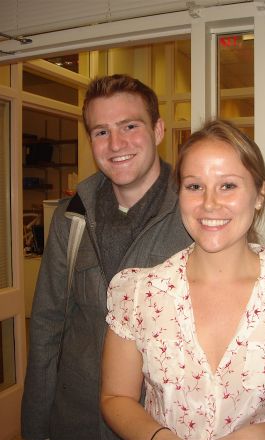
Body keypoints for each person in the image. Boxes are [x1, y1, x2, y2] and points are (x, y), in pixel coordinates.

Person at [101, 119, 265, 440]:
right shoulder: (138, 293)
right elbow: (116, 397)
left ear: (259, 194)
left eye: (228, 185)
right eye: (194, 186)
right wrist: (157, 436)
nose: (209, 203)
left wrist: (255, 437)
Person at [21, 74, 192, 440]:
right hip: (77, 419)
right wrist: (35, 427)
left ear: (158, 130)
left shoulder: (195, 215)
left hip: (160, 424)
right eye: (101, 131)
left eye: (130, 126)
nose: (116, 144)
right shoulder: (72, 216)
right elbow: (47, 328)